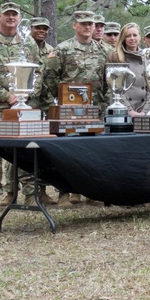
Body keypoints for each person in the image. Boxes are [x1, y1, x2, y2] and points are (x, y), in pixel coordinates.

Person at [0, 2, 46, 211]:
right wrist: (7, 96)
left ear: (20, 18)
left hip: (24, 105)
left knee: (26, 149)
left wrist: (29, 93)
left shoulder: (28, 43)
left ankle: (29, 193)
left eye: (15, 14)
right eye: (7, 14)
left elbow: (38, 71)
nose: (11, 18)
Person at [40, 10, 109, 206]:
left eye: (91, 24)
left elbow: (107, 82)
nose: (88, 27)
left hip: (95, 110)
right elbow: (50, 78)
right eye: (84, 23)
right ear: (75, 25)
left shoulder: (103, 51)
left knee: (93, 153)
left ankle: (91, 192)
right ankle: (65, 193)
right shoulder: (62, 50)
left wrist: (104, 105)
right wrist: (60, 103)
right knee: (67, 153)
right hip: (68, 111)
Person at [106, 23, 150, 114]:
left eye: (135, 35)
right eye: (128, 36)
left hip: (144, 111)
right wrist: (130, 111)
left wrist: (145, 111)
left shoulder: (148, 57)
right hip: (121, 109)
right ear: (123, 38)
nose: (132, 38)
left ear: (140, 37)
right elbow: (115, 88)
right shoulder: (115, 57)